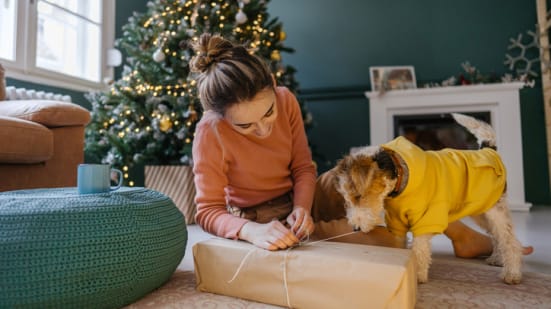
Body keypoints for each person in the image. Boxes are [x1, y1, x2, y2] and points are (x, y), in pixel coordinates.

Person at [189, 33, 532, 257]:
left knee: (378, 172)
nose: (264, 129)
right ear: (219, 117)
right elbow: (207, 211)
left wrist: (303, 207)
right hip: (260, 213)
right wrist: (251, 230)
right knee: (393, 240)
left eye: (268, 114)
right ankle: (315, 236)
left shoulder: (285, 98)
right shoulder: (210, 132)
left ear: (274, 85)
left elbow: (303, 168)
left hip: (302, 191)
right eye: (246, 125)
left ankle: (461, 235)